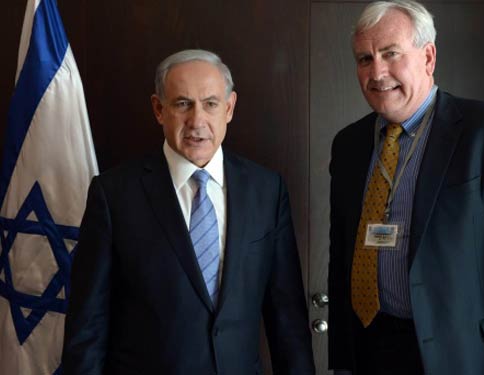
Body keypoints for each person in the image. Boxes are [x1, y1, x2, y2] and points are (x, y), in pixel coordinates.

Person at [62, 49, 315, 375]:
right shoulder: (114, 195)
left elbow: (287, 318)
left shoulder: (266, 190)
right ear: (158, 109)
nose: (197, 121)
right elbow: (88, 324)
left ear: (229, 108)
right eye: (182, 104)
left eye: (210, 103)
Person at [328, 1, 484, 374]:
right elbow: (341, 254)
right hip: (371, 348)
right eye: (364, 59)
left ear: (428, 56)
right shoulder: (348, 145)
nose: (377, 72)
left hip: (460, 353)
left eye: (391, 54)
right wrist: (343, 358)